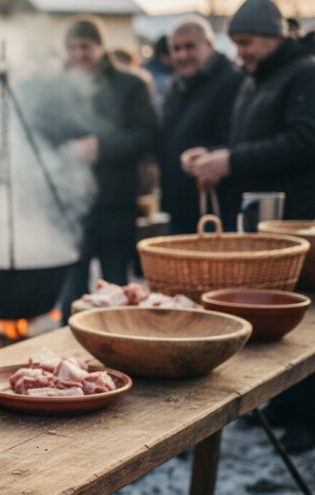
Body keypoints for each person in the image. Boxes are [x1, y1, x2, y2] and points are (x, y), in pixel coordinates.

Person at [183, 0, 315, 453]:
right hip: (262, 222)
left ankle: (307, 421)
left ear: (275, 35)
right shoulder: (254, 80)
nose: (240, 53)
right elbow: (248, 142)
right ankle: (280, 405)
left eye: (246, 43)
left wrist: (232, 160)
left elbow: (305, 141)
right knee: (269, 316)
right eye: (236, 44)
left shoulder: (305, 74)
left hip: (298, 224)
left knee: (300, 323)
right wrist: (214, 154)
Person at [35, 16, 157, 322]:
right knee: (71, 288)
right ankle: (68, 355)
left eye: (85, 46)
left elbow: (147, 134)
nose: (78, 54)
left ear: (101, 47)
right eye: (72, 47)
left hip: (115, 203)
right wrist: (65, 152)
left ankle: (113, 349)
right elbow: (38, 137)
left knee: (114, 288)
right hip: (68, 204)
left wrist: (102, 146)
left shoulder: (130, 85)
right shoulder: (52, 89)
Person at [158, 15, 244, 234]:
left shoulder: (232, 82)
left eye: (190, 47)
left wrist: (211, 156)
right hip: (180, 207)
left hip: (217, 211)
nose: (182, 55)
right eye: (176, 49)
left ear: (209, 46)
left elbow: (239, 138)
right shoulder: (176, 86)